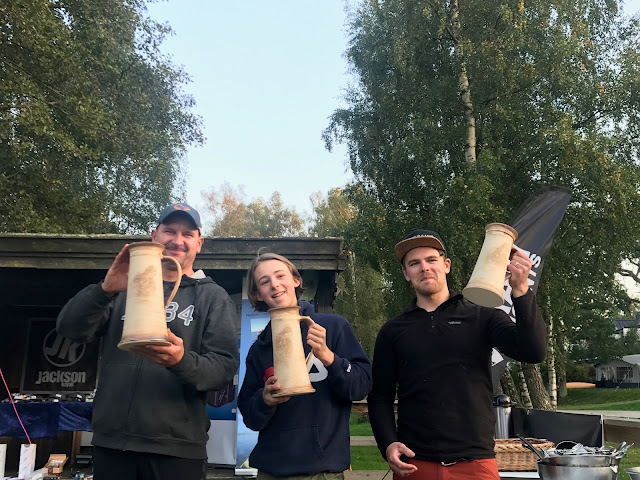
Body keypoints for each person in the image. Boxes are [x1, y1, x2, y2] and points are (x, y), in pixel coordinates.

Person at [57, 203, 239, 480]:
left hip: (177, 450)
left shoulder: (213, 297)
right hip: (112, 444)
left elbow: (223, 370)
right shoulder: (123, 289)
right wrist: (104, 290)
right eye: (170, 231)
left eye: (187, 234)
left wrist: (180, 361)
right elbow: (69, 329)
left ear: (199, 243)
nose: (177, 240)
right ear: (154, 236)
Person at [367, 229, 547, 480]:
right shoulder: (393, 331)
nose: (424, 268)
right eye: (414, 263)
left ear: (446, 265)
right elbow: (380, 397)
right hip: (415, 464)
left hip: (475, 463)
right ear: (406, 273)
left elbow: (533, 351)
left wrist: (521, 290)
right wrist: (388, 443)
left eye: (431, 260)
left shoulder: (483, 316)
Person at [237, 252, 372, 480]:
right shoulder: (259, 349)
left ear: (296, 281)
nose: (274, 285)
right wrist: (264, 400)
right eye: (264, 281)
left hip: (322, 471)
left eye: (280, 276)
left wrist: (329, 357)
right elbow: (250, 417)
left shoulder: (333, 327)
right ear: (258, 294)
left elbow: (361, 386)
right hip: (271, 470)